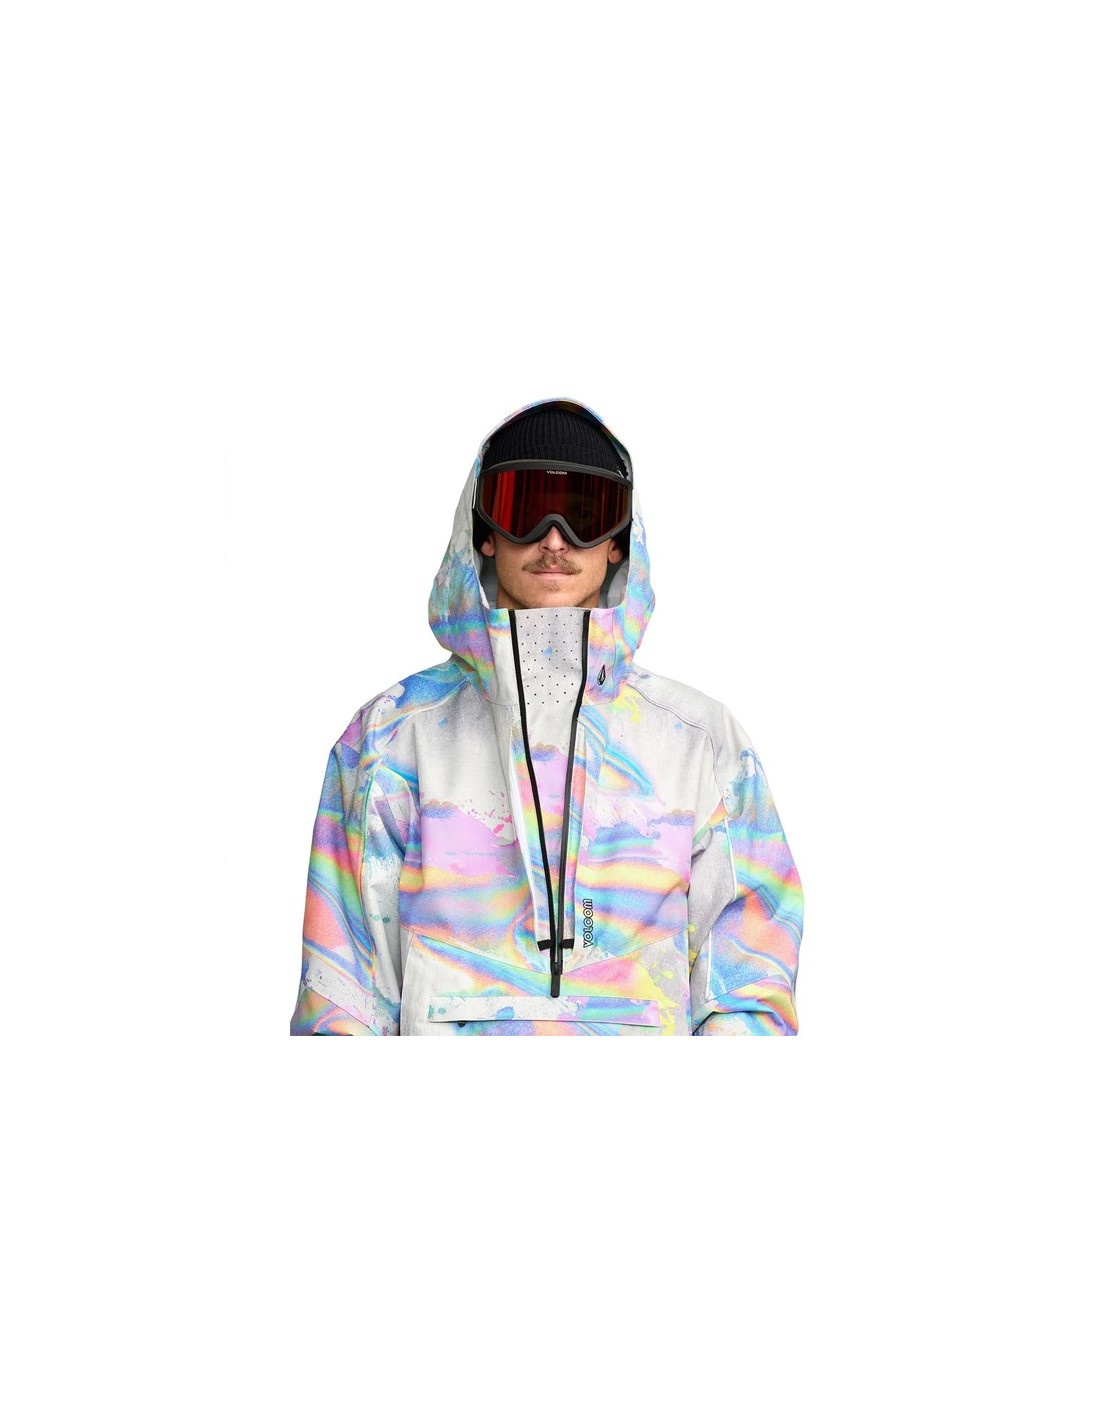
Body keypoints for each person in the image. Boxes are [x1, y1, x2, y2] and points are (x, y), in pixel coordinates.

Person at [289, 398, 804, 1035]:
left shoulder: (700, 742)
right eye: (525, 508)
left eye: (584, 512)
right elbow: (340, 992)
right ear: (484, 530)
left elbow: (750, 986)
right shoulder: (391, 739)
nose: (555, 538)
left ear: (618, 541)